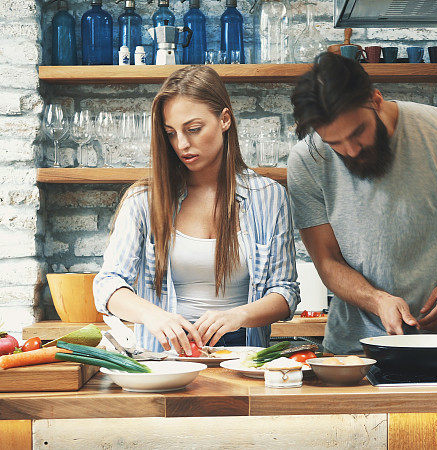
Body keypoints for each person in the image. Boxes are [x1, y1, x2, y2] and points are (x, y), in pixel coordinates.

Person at [287, 53, 437, 355]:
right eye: (334, 143)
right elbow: (327, 262)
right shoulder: (307, 160)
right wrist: (378, 300)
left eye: (358, 132)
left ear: (376, 100)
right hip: (352, 349)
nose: (350, 150)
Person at [94, 65, 299, 355]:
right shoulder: (144, 200)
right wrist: (153, 315)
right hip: (165, 359)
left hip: (241, 357)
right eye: (171, 133)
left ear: (224, 119)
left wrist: (237, 316)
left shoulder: (268, 197)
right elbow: (107, 285)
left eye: (193, 129)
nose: (182, 144)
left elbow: (286, 292)